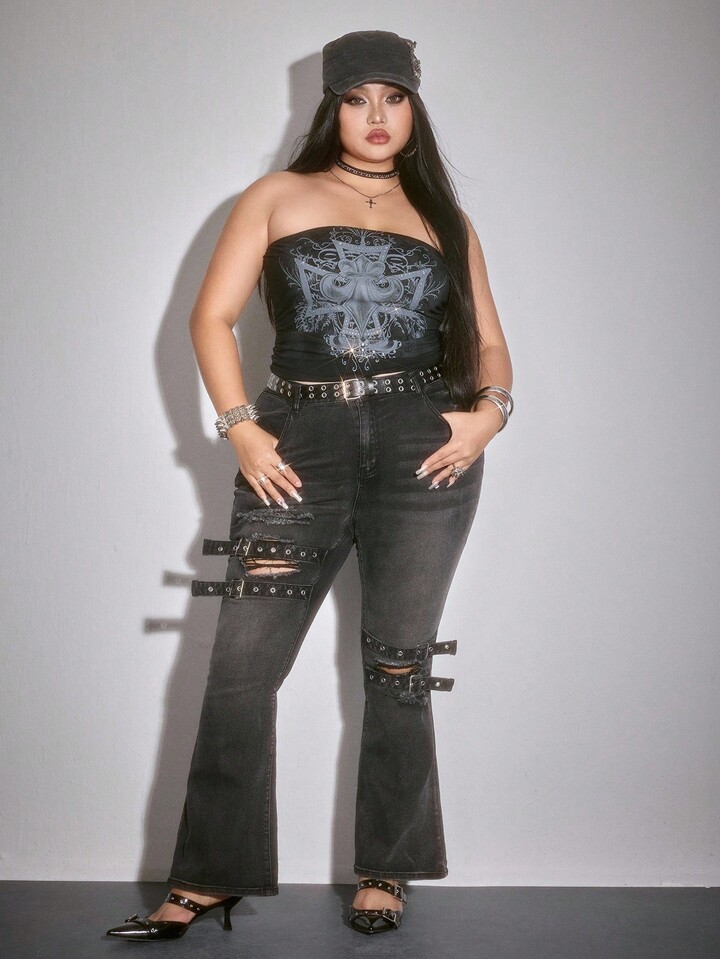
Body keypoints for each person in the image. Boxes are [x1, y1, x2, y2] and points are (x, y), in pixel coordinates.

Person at [106, 29, 513, 941]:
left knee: (399, 666)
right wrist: (241, 425)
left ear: (414, 108)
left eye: (394, 97)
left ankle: (387, 867)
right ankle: (207, 876)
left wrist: (490, 413)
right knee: (241, 669)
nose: (377, 116)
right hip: (300, 445)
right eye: (357, 98)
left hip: (424, 449)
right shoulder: (275, 196)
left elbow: (490, 341)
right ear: (331, 106)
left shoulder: (445, 219)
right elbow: (209, 318)